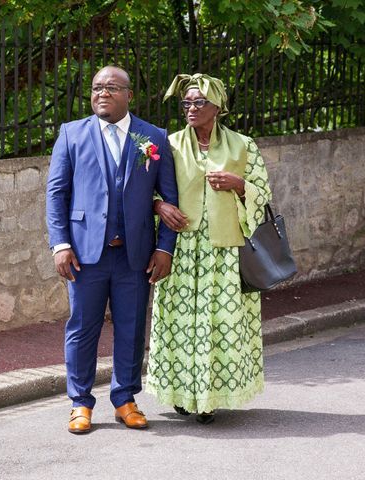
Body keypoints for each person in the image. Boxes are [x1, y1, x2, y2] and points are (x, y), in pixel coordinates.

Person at [46, 66, 178, 434]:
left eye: (111, 87)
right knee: (82, 328)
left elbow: (169, 197)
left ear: (129, 95)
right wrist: (60, 244)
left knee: (132, 328)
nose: (102, 93)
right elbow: (57, 193)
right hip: (85, 256)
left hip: (134, 255)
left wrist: (165, 248)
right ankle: (80, 403)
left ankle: (124, 398)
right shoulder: (72, 134)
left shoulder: (153, 137)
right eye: (96, 88)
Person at [146, 73, 272, 424]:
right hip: (182, 248)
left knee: (218, 324)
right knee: (181, 324)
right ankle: (183, 395)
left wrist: (239, 184)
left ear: (217, 107)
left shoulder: (243, 145)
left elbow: (263, 196)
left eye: (199, 103)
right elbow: (144, 187)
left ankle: (210, 398)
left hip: (225, 251)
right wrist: (159, 206)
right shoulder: (168, 145)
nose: (190, 108)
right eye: (186, 103)